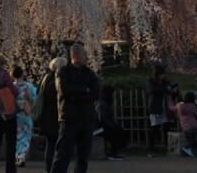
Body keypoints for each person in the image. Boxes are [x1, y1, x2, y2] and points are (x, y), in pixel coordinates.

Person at [50, 43, 100, 173]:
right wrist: (84, 91)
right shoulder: (63, 72)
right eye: (84, 54)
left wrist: (75, 95)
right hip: (69, 118)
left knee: (83, 156)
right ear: (75, 56)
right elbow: (64, 90)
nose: (87, 57)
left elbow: (96, 93)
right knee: (63, 155)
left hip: (86, 118)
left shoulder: (89, 73)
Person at [33, 57, 66, 173]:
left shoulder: (46, 79)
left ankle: (49, 169)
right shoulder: (60, 79)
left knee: (50, 145)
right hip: (58, 116)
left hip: (47, 117)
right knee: (60, 146)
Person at [144, 64, 173, 157]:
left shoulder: (165, 81)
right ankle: (151, 149)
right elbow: (151, 90)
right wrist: (164, 89)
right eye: (161, 74)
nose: (163, 76)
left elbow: (169, 89)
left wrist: (170, 89)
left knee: (166, 128)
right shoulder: (150, 81)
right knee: (154, 129)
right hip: (155, 107)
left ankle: (168, 147)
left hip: (165, 106)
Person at [96, 86, 129, 161]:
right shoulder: (102, 103)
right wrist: (112, 126)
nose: (114, 95)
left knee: (120, 131)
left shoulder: (106, 102)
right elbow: (103, 118)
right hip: (99, 128)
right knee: (115, 132)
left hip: (104, 125)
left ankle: (114, 152)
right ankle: (112, 153)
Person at [11, 66, 36, 167]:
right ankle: (21, 156)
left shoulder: (11, 86)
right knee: (26, 136)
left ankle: (17, 156)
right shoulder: (29, 86)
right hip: (25, 114)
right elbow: (34, 99)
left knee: (16, 136)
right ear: (22, 74)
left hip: (14, 114)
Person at [176, 92, 197, 157]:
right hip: (194, 126)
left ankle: (189, 149)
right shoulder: (192, 105)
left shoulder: (179, 106)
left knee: (191, 140)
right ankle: (188, 148)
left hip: (185, 127)